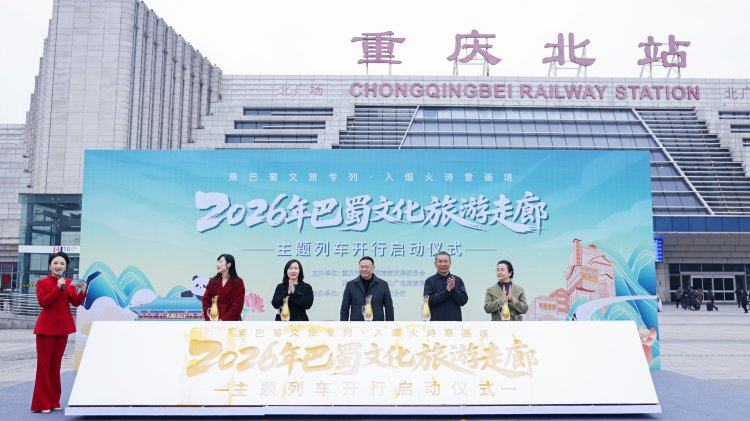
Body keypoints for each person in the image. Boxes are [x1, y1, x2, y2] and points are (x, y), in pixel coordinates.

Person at [31, 251, 87, 413]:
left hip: (62, 329)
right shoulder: (42, 283)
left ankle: (54, 401)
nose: (58, 266)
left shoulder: (69, 282)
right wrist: (57, 288)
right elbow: (44, 303)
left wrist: (83, 291)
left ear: (66, 267)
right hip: (45, 330)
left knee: (55, 366)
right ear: (50, 265)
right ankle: (42, 404)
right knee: (44, 366)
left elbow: (75, 303)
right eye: (55, 263)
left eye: (62, 263)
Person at [340, 256, 394, 321]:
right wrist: (343, 324)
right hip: (356, 324)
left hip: (377, 324)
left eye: (367, 267)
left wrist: (390, 325)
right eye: (361, 267)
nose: (364, 269)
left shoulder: (383, 285)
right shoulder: (350, 285)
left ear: (373, 268)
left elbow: (389, 308)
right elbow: (345, 308)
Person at [422, 252, 468, 321]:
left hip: (455, 323)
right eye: (440, 261)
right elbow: (428, 302)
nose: (443, 264)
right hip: (436, 323)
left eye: (445, 261)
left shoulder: (457, 280)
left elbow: (463, 301)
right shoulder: (429, 281)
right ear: (435, 264)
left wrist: (453, 289)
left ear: (450, 263)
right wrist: (446, 291)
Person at [202, 254, 245, 321]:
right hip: (214, 320)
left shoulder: (238, 282)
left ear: (229, 264)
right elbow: (205, 301)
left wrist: (223, 320)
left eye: (220, 262)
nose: (217, 264)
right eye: (217, 262)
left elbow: (238, 306)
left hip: (232, 321)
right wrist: (210, 317)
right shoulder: (213, 281)